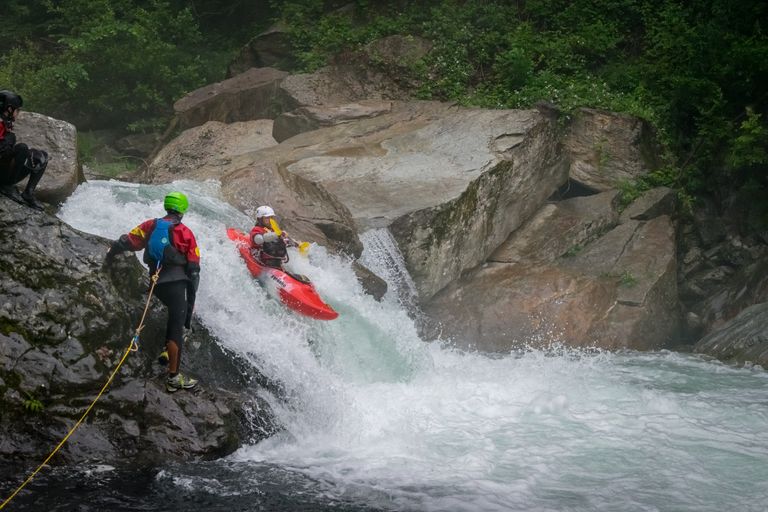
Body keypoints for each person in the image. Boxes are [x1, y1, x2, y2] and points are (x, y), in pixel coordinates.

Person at [105, 191, 200, 392]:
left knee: (167, 317)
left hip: (155, 283)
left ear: (166, 206)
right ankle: (174, 378)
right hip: (176, 285)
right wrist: (190, 303)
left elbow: (126, 241)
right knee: (176, 327)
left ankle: (166, 351)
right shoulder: (186, 232)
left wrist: (109, 257)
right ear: (182, 210)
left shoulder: (150, 225)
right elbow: (193, 269)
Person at [0, 90, 48, 211]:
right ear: (9, 109)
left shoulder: (6, 123)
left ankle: (28, 193)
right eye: (17, 110)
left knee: (41, 157)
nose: (18, 113)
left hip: (4, 171)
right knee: (22, 148)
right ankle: (8, 187)